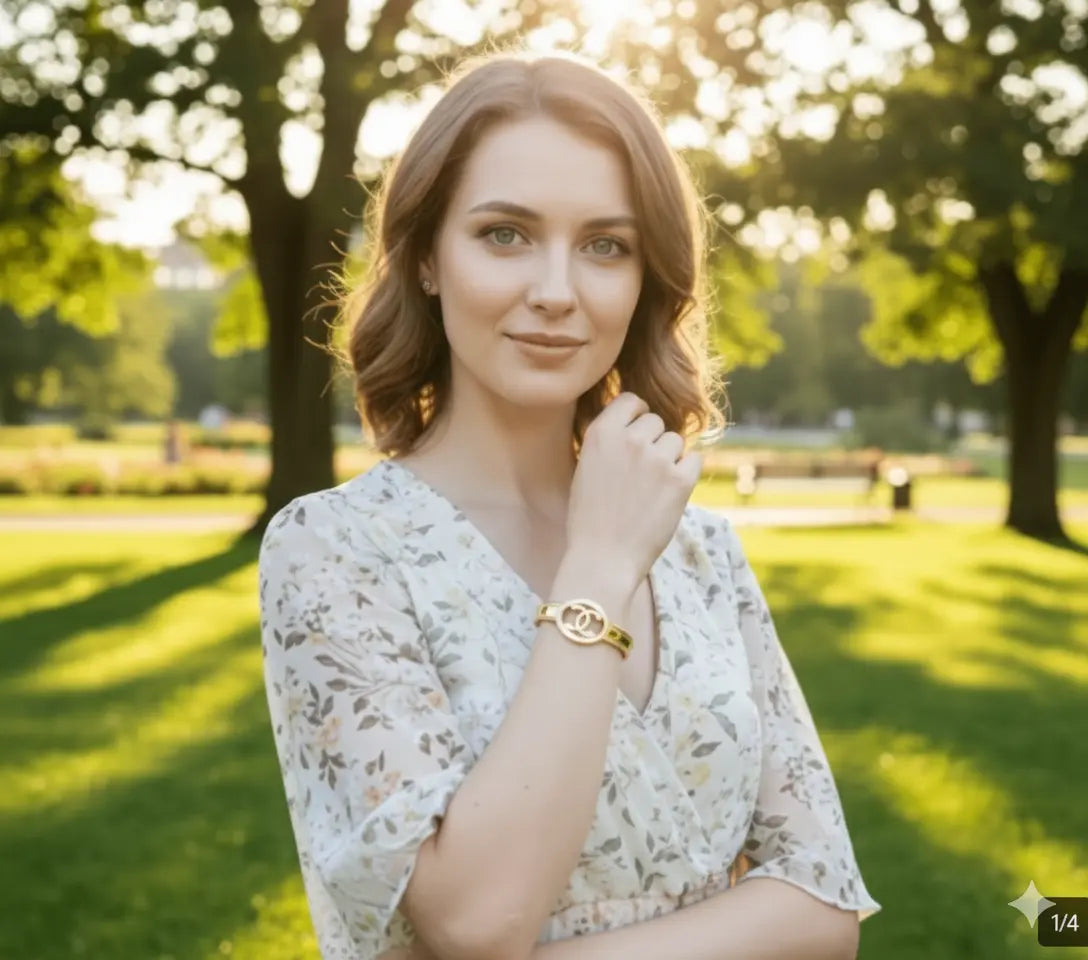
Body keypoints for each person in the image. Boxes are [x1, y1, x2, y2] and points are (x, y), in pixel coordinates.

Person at [258, 50, 882, 960]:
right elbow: (474, 920)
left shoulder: (703, 549)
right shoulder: (333, 551)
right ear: (428, 258)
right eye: (505, 234)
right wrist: (599, 562)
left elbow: (824, 905)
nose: (556, 292)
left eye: (605, 245)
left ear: (643, 279)